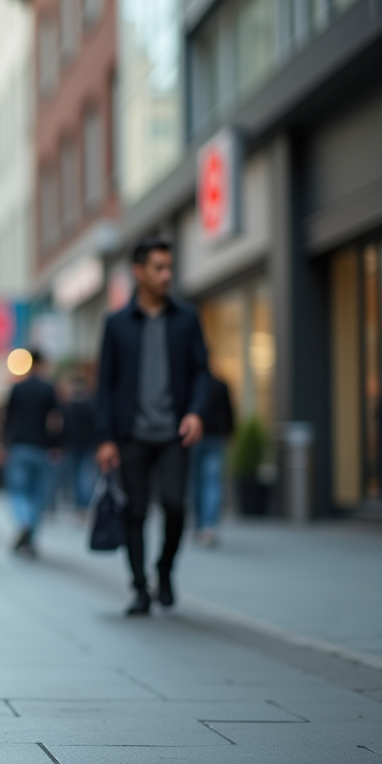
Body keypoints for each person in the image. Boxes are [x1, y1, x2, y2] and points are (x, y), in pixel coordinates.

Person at [95, 237, 210, 616]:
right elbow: (106, 385)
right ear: (138, 272)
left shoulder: (186, 318)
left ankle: (164, 567)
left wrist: (195, 412)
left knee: (176, 506)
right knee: (136, 513)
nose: (166, 275)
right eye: (159, 268)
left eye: (169, 268)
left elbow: (201, 373)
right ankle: (140, 587)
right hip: (131, 435)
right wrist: (107, 437)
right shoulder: (116, 324)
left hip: (174, 433)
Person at [3, 351, 60, 557]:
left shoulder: (18, 388)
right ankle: (31, 537)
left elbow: (8, 419)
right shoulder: (48, 389)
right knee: (38, 495)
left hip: (19, 446)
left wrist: (3, 444)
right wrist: (56, 444)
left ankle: (24, 522)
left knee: (19, 491)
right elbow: (56, 420)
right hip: (41, 447)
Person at [191, 374, 234, 547]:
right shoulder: (220, 385)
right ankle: (208, 526)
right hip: (214, 438)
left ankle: (201, 525)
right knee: (211, 482)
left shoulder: (193, 384)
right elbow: (230, 414)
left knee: (199, 483)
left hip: (198, 439)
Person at [60, 374, 98, 515]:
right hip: (87, 444)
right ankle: (83, 504)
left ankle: (79, 504)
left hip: (72, 444)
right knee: (85, 476)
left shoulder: (68, 406)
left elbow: (64, 427)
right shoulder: (90, 404)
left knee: (76, 476)